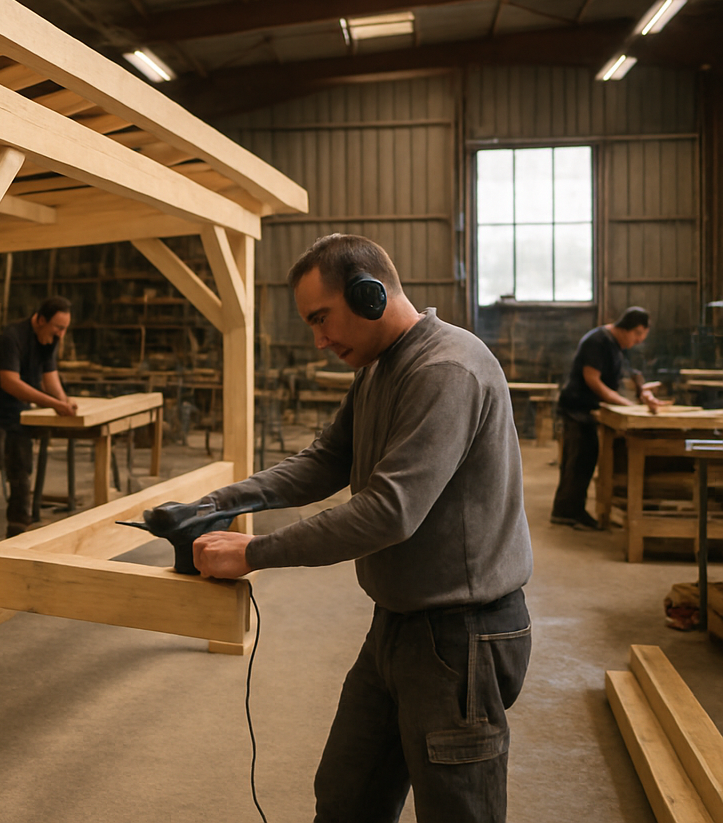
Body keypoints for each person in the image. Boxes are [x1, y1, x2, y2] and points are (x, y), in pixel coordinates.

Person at [188, 234, 533, 823]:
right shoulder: (379, 368)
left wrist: (255, 551)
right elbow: (326, 460)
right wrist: (219, 501)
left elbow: (388, 511)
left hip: (461, 636)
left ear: (370, 295)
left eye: (322, 319)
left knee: (459, 810)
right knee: (347, 797)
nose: (319, 340)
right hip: (398, 626)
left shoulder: (445, 369)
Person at [0, 296, 78, 543]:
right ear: (41, 320)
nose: (61, 335)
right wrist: (53, 404)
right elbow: (9, 382)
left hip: (17, 412)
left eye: (64, 328)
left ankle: (18, 527)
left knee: (22, 468)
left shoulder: (48, 339)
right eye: (59, 328)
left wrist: (64, 400)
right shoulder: (10, 339)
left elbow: (49, 374)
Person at [552, 307, 663, 530]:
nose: (639, 340)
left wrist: (644, 391)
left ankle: (574, 511)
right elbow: (592, 380)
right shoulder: (598, 341)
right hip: (577, 408)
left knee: (586, 459)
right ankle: (565, 513)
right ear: (628, 328)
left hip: (589, 410)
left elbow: (630, 374)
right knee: (577, 460)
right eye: (638, 335)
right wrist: (625, 404)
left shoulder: (616, 345)